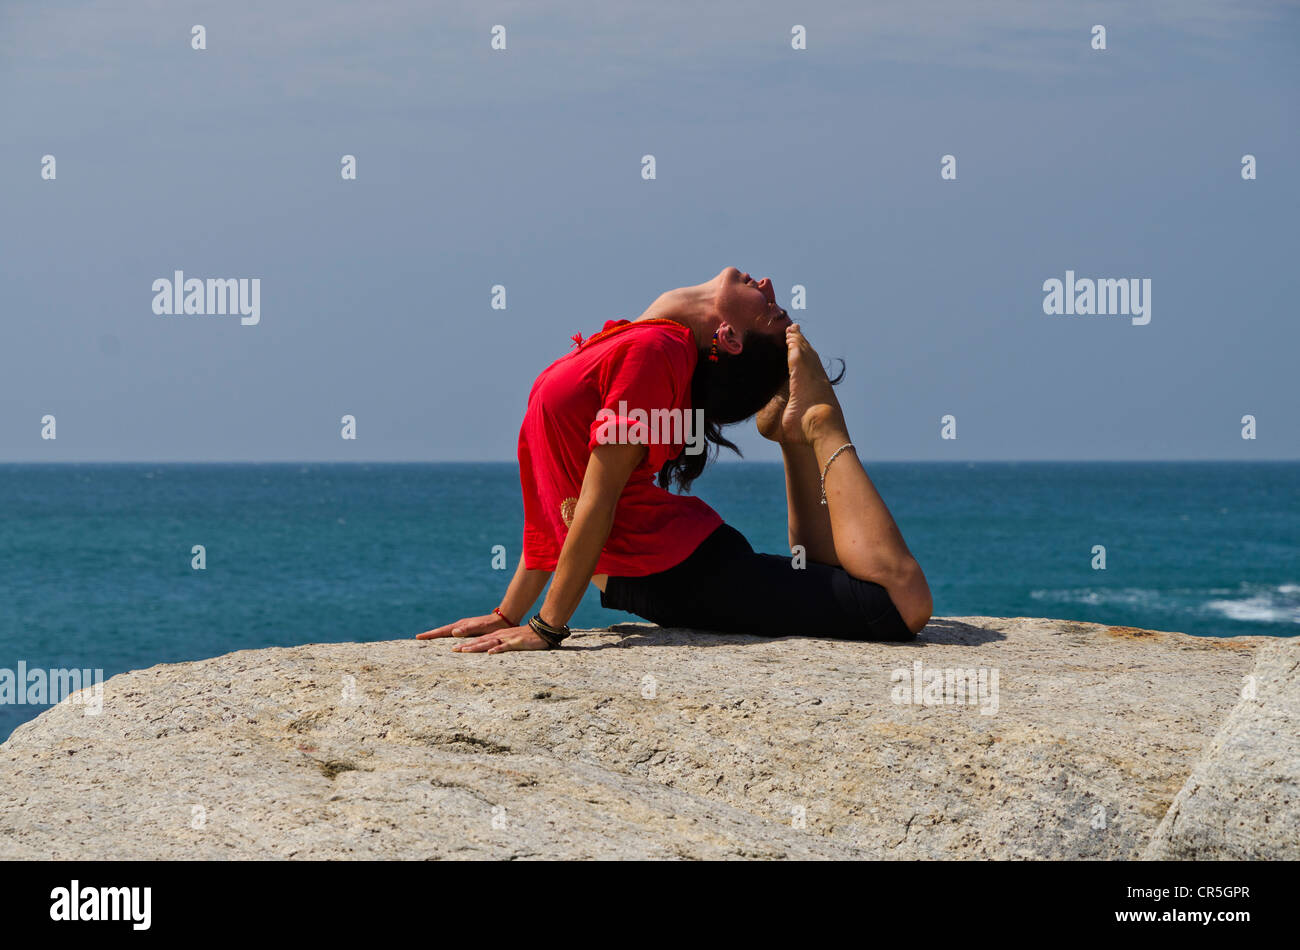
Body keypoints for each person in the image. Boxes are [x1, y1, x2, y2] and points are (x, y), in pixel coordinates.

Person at [417, 266, 931, 653]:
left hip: (683, 570)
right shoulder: (640, 342)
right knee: (837, 593)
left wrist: (546, 627)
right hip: (667, 571)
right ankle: (797, 436)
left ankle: (816, 425)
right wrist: (508, 613)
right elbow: (557, 495)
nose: (769, 283)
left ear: (728, 337)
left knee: (895, 601)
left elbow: (596, 499)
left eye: (771, 312)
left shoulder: (656, 350)